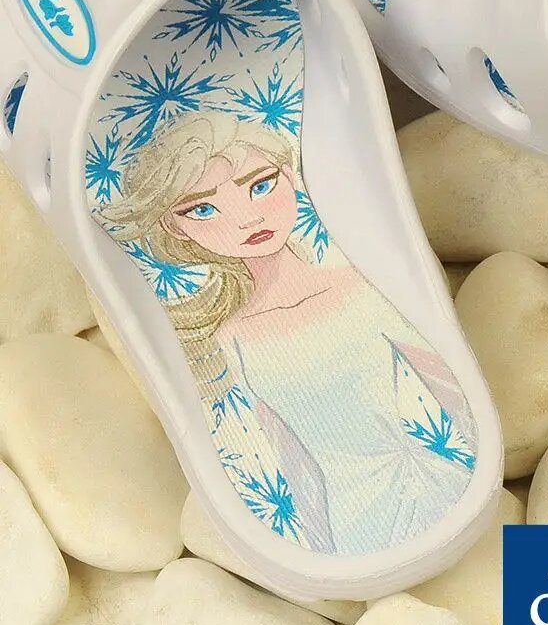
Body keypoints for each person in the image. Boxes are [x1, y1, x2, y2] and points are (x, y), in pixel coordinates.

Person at [101, 111, 476, 556]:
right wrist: (317, 534)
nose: (247, 219)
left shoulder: (358, 287)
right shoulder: (229, 337)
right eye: (203, 209)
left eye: (261, 185)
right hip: (348, 513)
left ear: (291, 175)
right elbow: (287, 452)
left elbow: (448, 387)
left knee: (495, 567)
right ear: (173, 227)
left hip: (424, 482)